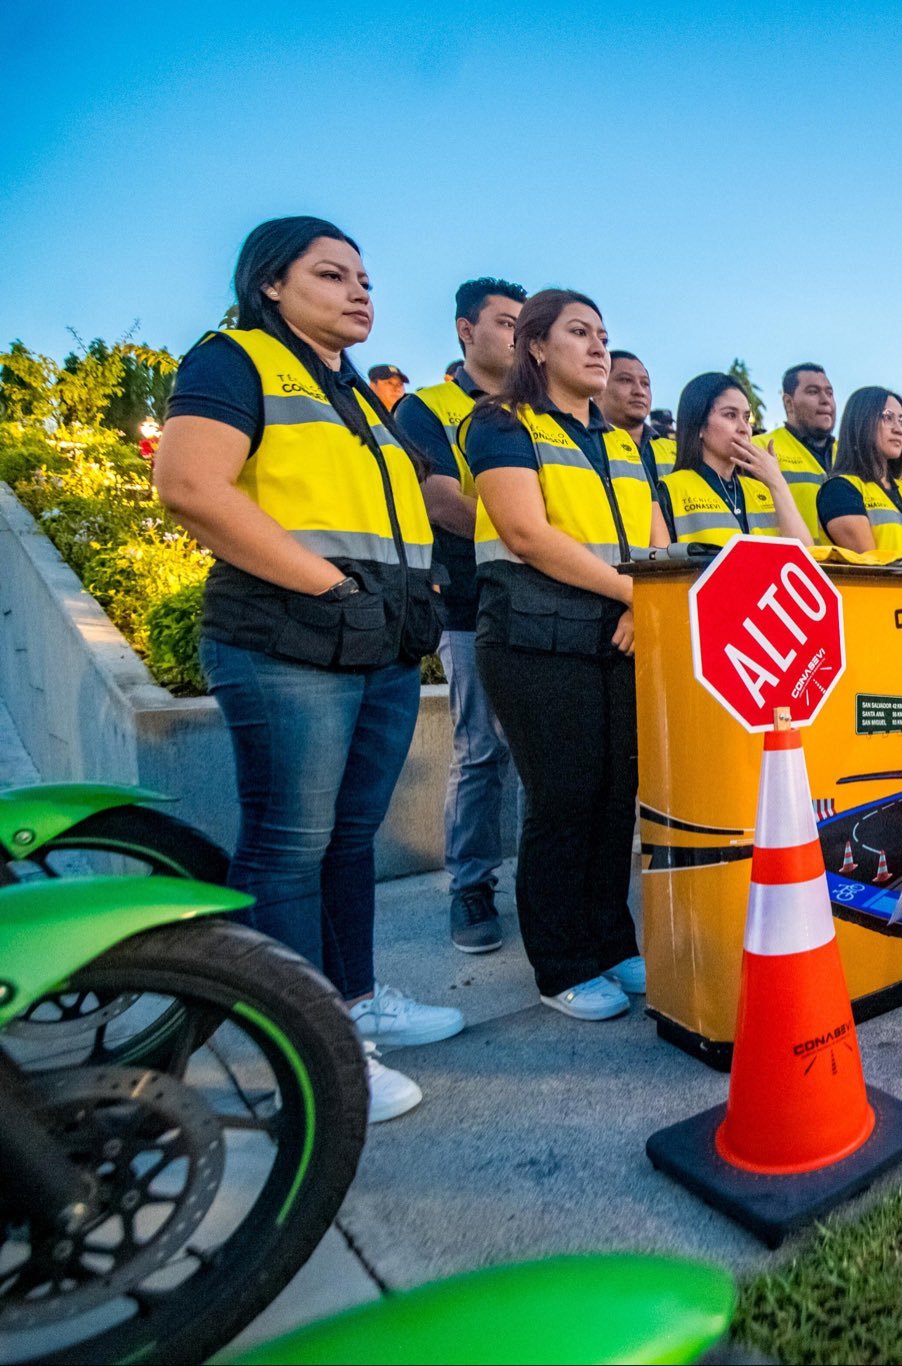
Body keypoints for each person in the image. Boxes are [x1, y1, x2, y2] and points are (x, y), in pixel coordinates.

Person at [154, 215, 463, 1124]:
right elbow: (189, 485)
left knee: (349, 837)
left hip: (378, 642)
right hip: (289, 637)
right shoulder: (234, 358)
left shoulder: (363, 393)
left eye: (363, 276)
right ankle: (310, 1053)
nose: (359, 289)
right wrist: (331, 587)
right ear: (271, 286)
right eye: (330, 274)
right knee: (289, 845)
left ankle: (353, 1004)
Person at [463, 289, 669, 1022]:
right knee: (563, 801)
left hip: (617, 633)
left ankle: (611, 942)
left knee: (615, 801)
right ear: (538, 347)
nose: (598, 347)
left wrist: (644, 602)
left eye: (603, 335)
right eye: (578, 332)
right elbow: (525, 532)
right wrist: (632, 595)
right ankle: (561, 963)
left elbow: (652, 544)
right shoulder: (498, 422)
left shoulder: (624, 442)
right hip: (533, 635)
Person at [392, 276, 526, 954]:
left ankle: (542, 887)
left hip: (547, 605)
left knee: (545, 757)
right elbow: (442, 501)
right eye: (505, 322)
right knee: (481, 749)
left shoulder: (543, 412)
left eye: (525, 325)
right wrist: (530, 540)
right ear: (465, 331)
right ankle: (471, 887)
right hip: (472, 604)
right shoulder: (430, 409)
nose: (517, 336)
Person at [663, 372, 809, 550]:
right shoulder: (669, 489)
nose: (744, 428)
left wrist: (777, 483)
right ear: (699, 425)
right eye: (730, 415)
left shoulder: (763, 489)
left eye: (746, 418)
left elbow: (806, 557)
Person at [816, 386, 902, 561]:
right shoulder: (839, 490)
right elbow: (872, 568)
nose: (899, 429)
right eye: (887, 417)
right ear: (861, 421)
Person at [753, 362, 835, 542]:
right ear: (789, 403)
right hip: (790, 568)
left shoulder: (849, 454)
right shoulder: (759, 448)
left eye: (829, 393)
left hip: (848, 569)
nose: (825, 400)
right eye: (813, 392)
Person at [599, 349, 676, 530]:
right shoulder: (584, 446)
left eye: (645, 383)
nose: (639, 391)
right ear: (598, 388)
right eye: (625, 380)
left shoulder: (674, 451)